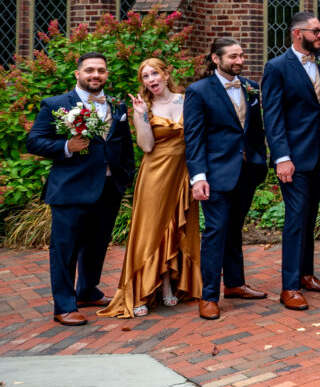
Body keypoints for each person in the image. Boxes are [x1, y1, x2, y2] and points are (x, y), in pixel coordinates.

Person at [26, 52, 136, 326]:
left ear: (107, 74)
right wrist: (66, 147)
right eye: (89, 70)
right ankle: (64, 305)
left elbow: (123, 143)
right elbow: (34, 142)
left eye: (100, 70)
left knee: (97, 245)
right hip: (71, 189)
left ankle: (87, 290)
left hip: (109, 187)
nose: (95, 75)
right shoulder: (56, 104)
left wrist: (126, 175)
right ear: (78, 74)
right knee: (65, 249)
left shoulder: (117, 105)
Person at [99, 58, 201, 318]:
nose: (151, 80)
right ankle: (144, 287)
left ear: (167, 74)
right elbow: (146, 146)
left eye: (154, 73)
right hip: (155, 173)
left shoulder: (187, 99)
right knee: (152, 229)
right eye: (145, 76)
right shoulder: (143, 106)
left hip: (184, 172)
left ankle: (170, 283)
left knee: (175, 226)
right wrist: (142, 115)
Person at [184, 38, 270, 320]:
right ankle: (209, 296)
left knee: (234, 228)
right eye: (233, 56)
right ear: (216, 59)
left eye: (241, 56)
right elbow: (194, 137)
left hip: (246, 171)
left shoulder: (250, 87)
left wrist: (259, 158)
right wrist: (198, 177)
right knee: (216, 232)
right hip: (215, 174)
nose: (239, 61)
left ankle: (234, 284)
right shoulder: (198, 91)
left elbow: (255, 130)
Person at [262, 12, 320, 311]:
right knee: (296, 218)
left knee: (309, 216)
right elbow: (272, 115)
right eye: (316, 31)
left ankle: (307, 274)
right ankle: (290, 286)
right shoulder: (277, 67)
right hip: (293, 157)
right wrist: (282, 157)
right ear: (297, 33)